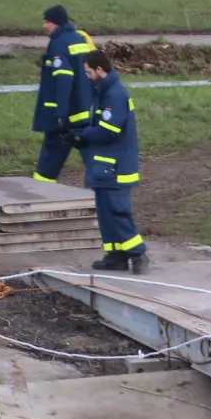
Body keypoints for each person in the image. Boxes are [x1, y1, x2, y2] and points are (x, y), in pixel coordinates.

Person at [63, 50, 149, 273]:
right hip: (103, 166)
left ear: (100, 70)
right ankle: (116, 256)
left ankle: (138, 253)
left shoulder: (114, 94)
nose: (88, 76)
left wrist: (82, 134)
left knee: (117, 211)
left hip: (116, 168)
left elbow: (108, 130)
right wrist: (78, 138)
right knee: (105, 214)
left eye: (89, 72)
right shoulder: (103, 92)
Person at [31, 5, 96, 183]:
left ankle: (40, 191)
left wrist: (60, 113)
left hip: (66, 114)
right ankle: (105, 191)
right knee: (92, 155)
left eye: (47, 22)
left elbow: (63, 79)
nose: (45, 26)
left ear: (56, 23)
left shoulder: (58, 44)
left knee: (51, 156)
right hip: (84, 110)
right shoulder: (80, 39)